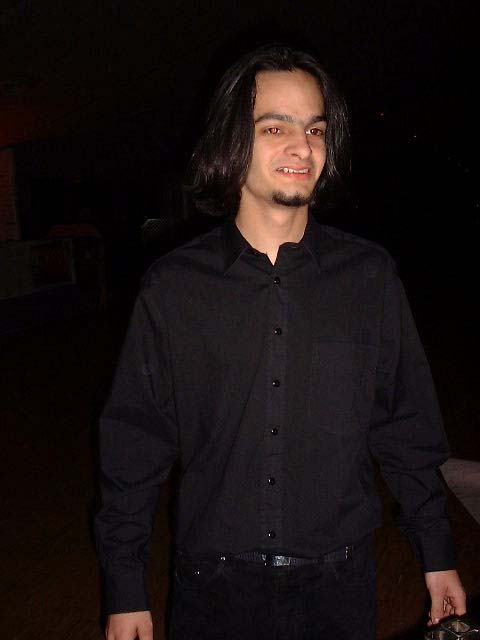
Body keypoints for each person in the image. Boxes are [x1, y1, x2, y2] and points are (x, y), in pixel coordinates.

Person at [95, 44, 466, 640]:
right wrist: (125, 588)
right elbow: (134, 445)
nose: (302, 147)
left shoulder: (369, 278)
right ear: (231, 141)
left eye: (315, 129)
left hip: (339, 587)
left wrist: (437, 551)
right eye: (275, 127)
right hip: (213, 588)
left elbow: (405, 424)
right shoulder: (174, 287)